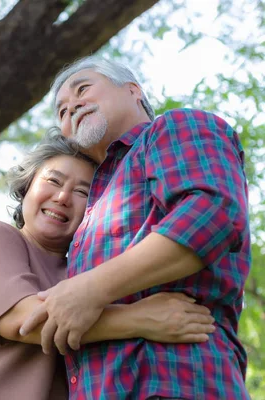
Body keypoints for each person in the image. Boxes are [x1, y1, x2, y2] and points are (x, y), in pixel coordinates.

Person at [20, 56, 251, 399]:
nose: (72, 107)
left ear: (133, 91)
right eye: (63, 111)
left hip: (178, 380)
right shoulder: (89, 208)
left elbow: (211, 213)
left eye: (83, 89)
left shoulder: (173, 128)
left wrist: (91, 289)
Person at [0, 133, 216, 399]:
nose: (63, 197)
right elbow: (23, 322)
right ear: (27, 186)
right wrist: (142, 319)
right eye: (53, 181)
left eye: (82, 192)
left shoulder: (90, 275)